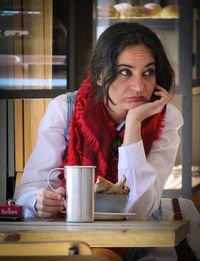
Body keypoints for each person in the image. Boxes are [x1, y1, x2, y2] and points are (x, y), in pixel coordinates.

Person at [14, 22, 183, 260]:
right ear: (101, 75)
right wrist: (38, 201)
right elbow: (25, 192)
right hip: (68, 242)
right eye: (125, 72)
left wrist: (134, 124)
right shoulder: (65, 109)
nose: (139, 86)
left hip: (138, 246)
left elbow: (138, 209)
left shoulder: (167, 118)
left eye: (148, 72)